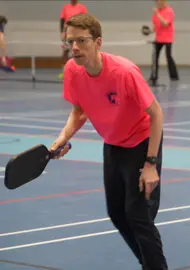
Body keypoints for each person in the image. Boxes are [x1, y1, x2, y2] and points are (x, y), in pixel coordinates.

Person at [51, 14, 168, 270]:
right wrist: (63, 137)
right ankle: (150, 264)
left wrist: (151, 164)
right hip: (113, 143)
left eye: (82, 40)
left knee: (139, 217)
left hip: (141, 142)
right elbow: (78, 110)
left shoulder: (123, 72)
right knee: (117, 213)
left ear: (98, 42)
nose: (75, 47)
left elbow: (156, 113)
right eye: (70, 41)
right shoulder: (72, 70)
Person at [149, 0, 179, 87]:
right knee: (155, 57)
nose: (158, 4)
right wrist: (149, 31)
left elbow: (165, 23)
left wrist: (158, 14)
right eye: (157, 2)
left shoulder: (169, 11)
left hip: (168, 38)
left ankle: (174, 76)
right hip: (158, 38)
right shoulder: (156, 13)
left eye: (159, 2)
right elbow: (154, 28)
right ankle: (153, 76)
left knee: (168, 56)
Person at [58, 0, 88, 80]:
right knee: (65, 52)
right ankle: (64, 72)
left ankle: (79, 72)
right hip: (68, 34)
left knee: (78, 52)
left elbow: (86, 21)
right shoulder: (65, 7)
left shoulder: (82, 8)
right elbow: (62, 20)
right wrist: (62, 32)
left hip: (78, 34)